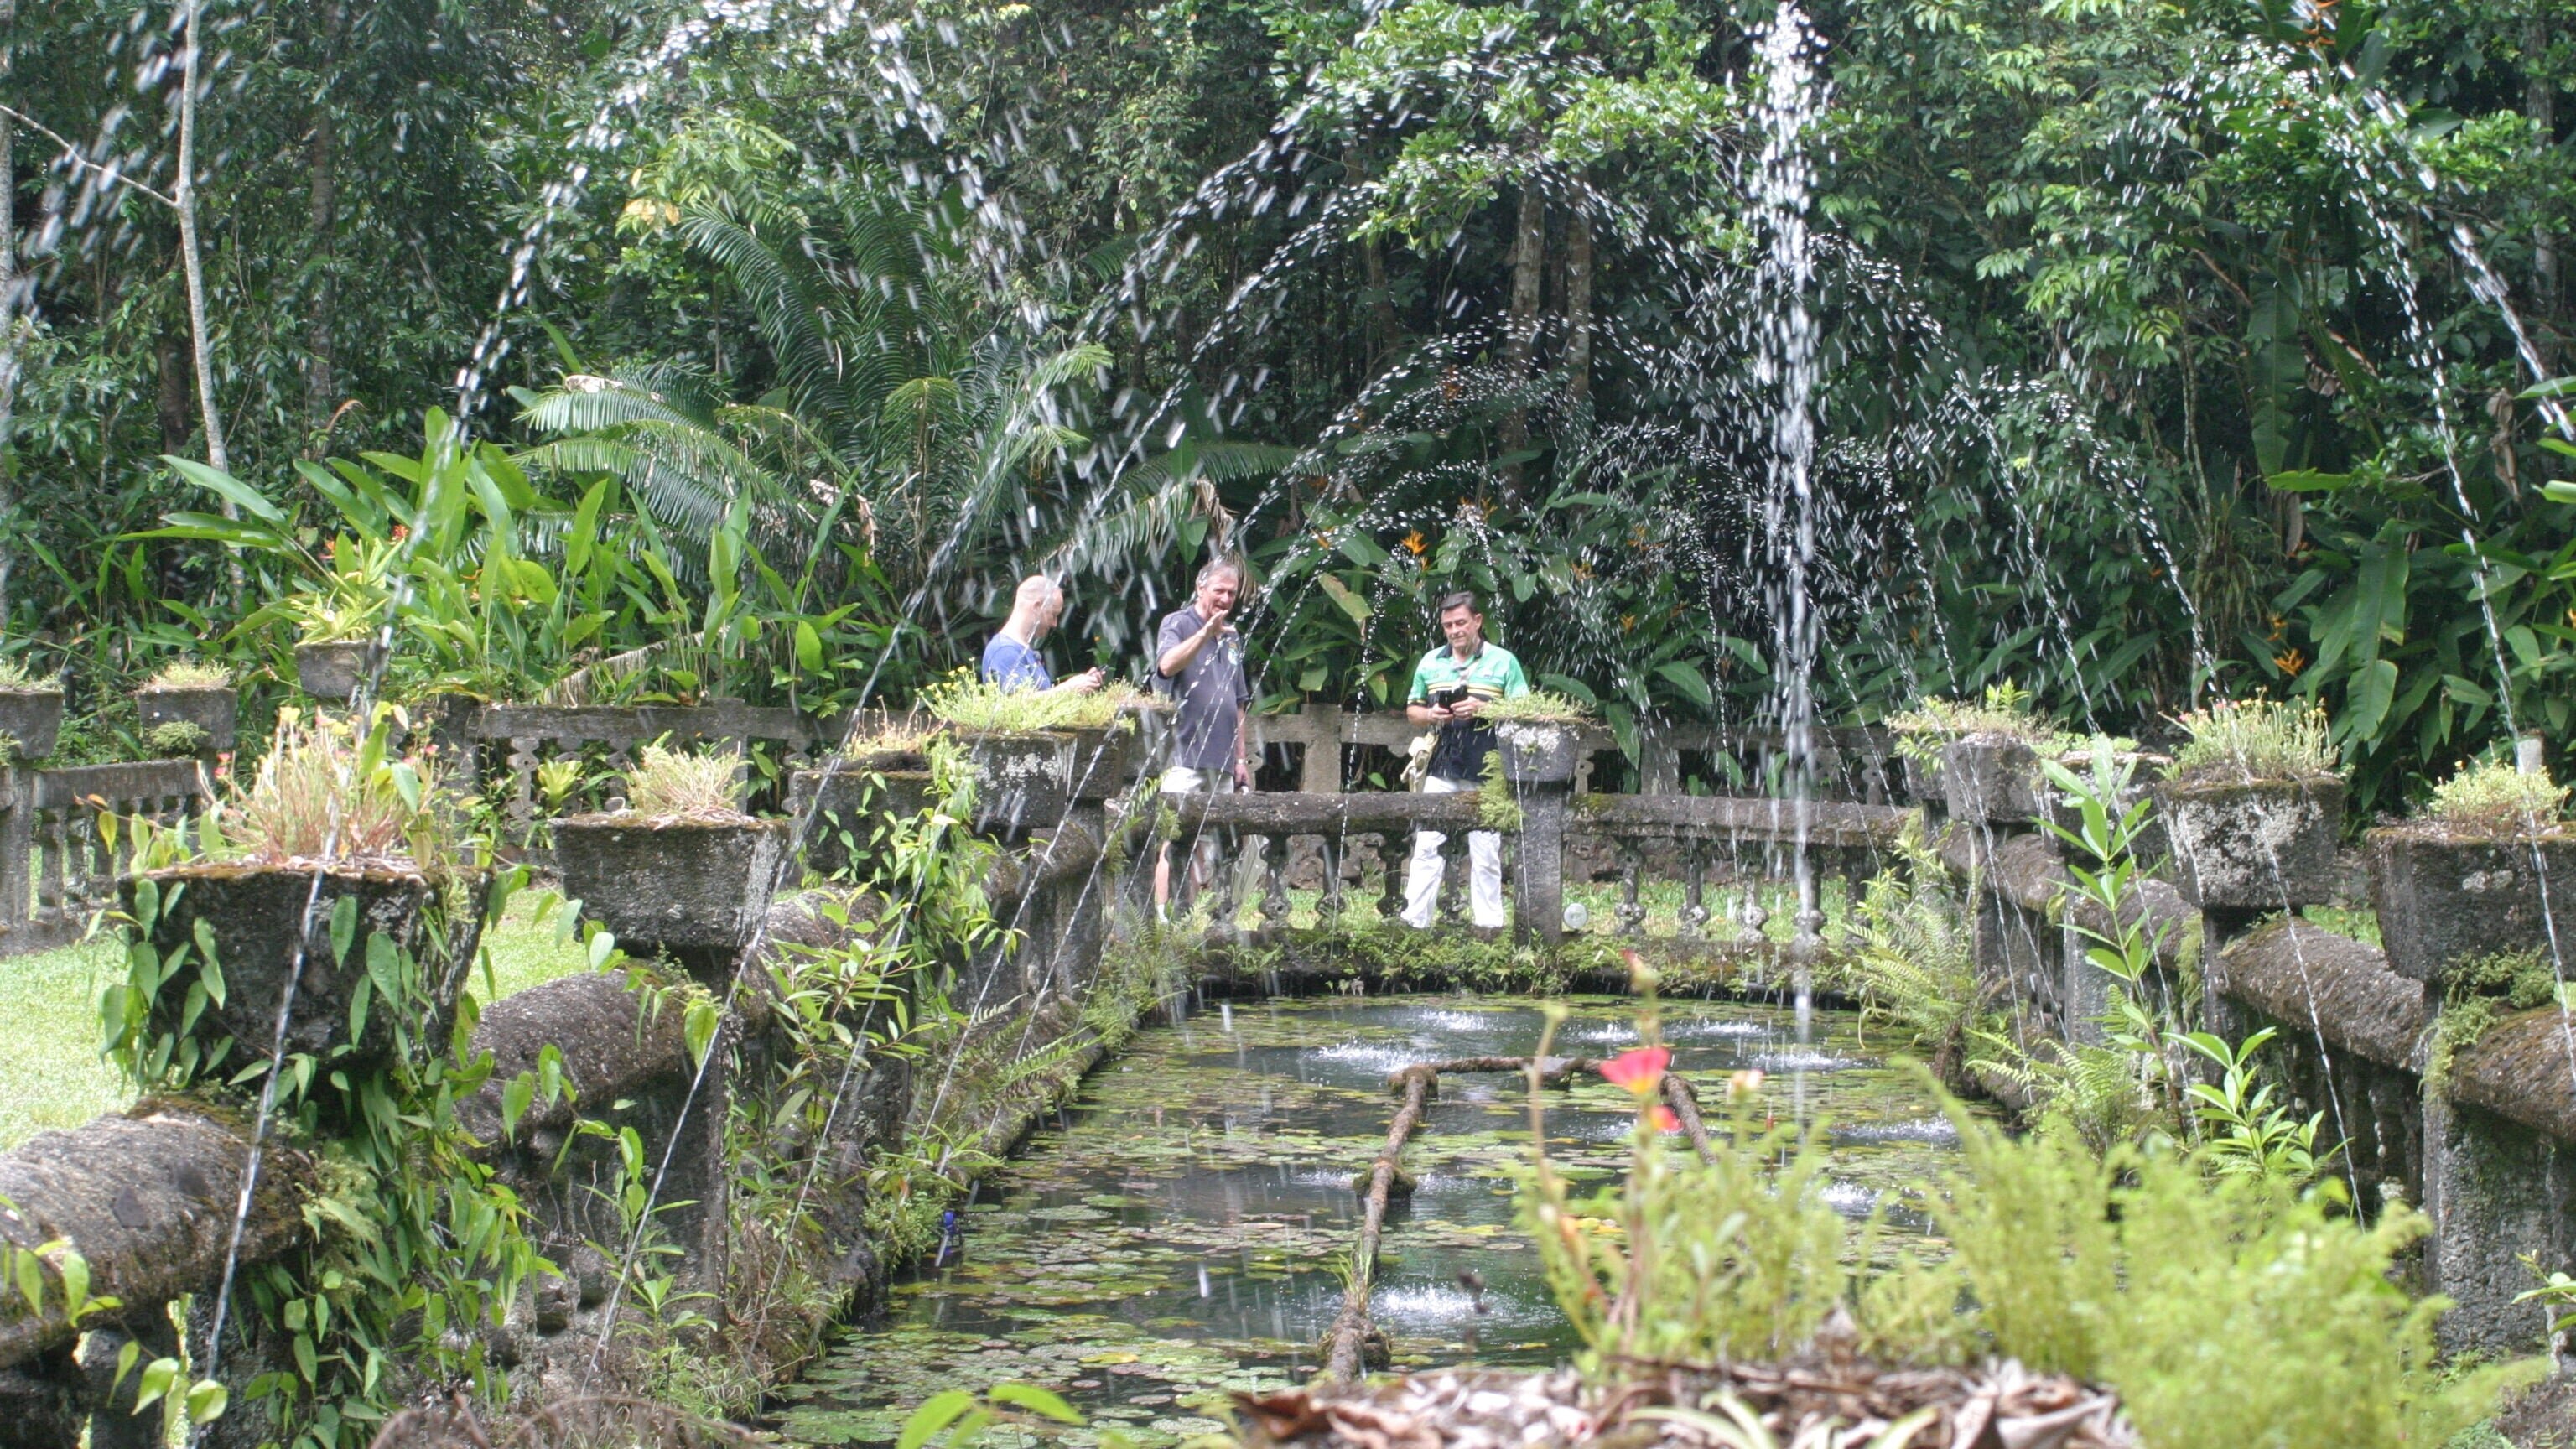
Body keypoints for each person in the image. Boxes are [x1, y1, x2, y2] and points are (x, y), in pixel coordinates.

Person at [1401, 590, 1529, 929]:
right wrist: (1431, 713)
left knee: (1486, 853)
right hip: (1442, 766)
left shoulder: (1503, 661)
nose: (1455, 631)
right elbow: (1412, 710)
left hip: (1487, 768)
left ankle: (1489, 926)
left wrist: (1483, 708)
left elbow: (1525, 709)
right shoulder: (1430, 662)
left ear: (1477, 621)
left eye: (1460, 623)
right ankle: (1415, 922)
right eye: (1447, 626)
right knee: (1427, 844)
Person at [1153, 558, 1253, 911]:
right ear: (1200, 588)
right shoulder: (1178, 624)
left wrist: (1242, 758)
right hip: (1183, 754)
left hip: (1223, 759)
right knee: (1173, 841)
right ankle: (1162, 920)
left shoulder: (1232, 637)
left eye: (1231, 593)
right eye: (1219, 591)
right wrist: (1204, 634)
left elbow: (1239, 702)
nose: (1226, 599)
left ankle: (1183, 915)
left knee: (1205, 846)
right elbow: (1166, 666)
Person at [981, 574, 1104, 695]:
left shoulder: (1022, 649)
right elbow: (1019, 704)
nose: (1055, 624)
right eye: (1053, 615)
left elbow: (1039, 699)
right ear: (1037, 607)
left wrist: (1083, 684)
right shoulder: (1005, 651)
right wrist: (1070, 689)